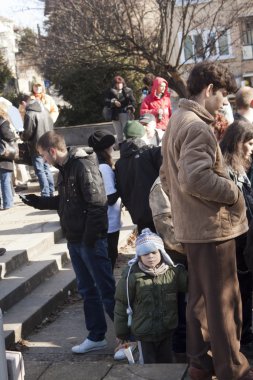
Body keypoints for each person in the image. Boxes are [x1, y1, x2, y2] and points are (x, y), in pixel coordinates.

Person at [160, 61, 253, 380]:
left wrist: (184, 211)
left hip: (195, 229)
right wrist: (233, 193)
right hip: (212, 230)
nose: (224, 102)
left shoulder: (177, 120)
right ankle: (234, 371)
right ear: (209, 90)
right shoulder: (196, 125)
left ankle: (200, 364)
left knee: (200, 301)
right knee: (224, 304)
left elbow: (167, 175)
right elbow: (195, 178)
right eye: (222, 96)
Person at [20, 131, 115, 354]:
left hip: (89, 241)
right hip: (75, 240)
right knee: (87, 290)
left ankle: (128, 338)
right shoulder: (64, 169)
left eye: (44, 155)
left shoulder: (82, 166)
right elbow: (67, 201)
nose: (43, 160)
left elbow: (97, 205)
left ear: (53, 151)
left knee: (106, 291)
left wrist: (89, 240)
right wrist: (40, 202)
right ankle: (96, 336)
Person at [114, 228, 187, 364]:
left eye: (154, 252)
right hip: (144, 333)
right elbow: (121, 303)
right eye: (145, 254)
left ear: (161, 252)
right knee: (148, 366)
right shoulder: (131, 276)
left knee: (166, 363)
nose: (150, 257)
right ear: (139, 256)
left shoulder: (173, 272)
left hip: (167, 330)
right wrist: (122, 332)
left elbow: (188, 285)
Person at [220, 120, 253, 358]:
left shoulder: (243, 165)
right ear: (237, 142)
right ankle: (242, 340)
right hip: (237, 241)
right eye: (249, 143)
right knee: (240, 293)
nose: (252, 148)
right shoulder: (226, 169)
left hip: (246, 238)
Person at [115, 120, 162, 234]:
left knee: (147, 249)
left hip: (137, 214)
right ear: (142, 135)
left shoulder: (119, 163)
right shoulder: (151, 153)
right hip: (159, 211)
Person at [88, 130, 121, 270]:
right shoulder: (104, 168)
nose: (113, 149)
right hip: (110, 220)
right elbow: (111, 198)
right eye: (111, 146)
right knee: (110, 255)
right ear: (105, 148)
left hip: (105, 219)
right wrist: (122, 185)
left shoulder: (95, 163)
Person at [21, 97, 55, 197]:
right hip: (48, 144)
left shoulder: (29, 114)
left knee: (40, 170)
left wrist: (21, 136)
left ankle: (45, 193)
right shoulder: (45, 111)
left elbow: (27, 133)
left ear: (24, 103)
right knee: (46, 169)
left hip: (37, 146)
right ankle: (51, 191)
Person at [104, 76, 136, 145]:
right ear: (115, 84)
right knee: (119, 134)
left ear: (123, 83)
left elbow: (133, 102)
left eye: (120, 83)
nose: (119, 85)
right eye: (117, 83)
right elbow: (106, 101)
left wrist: (131, 107)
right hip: (115, 115)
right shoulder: (111, 91)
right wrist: (114, 102)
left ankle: (128, 147)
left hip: (125, 113)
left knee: (126, 132)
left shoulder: (128, 91)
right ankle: (121, 148)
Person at [0, 107, 16, 210]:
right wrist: (13, 135)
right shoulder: (3, 123)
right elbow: (8, 135)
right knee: (5, 180)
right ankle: (7, 203)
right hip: (3, 155)